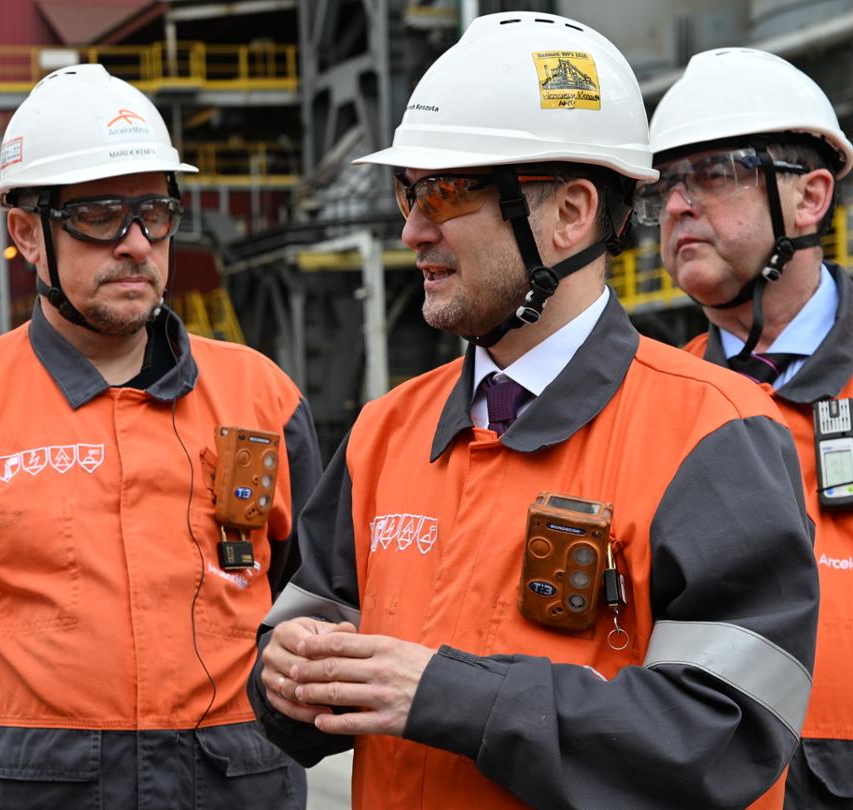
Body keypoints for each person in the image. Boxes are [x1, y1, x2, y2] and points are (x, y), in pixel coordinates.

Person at [247, 13, 819, 809]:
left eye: (445, 192)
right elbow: (302, 653)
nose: (412, 229)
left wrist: (451, 695)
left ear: (572, 212)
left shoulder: (715, 432)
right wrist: (286, 676)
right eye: (406, 192)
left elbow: (729, 730)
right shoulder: (386, 433)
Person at [0, 64, 317, 807]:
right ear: (26, 233)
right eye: (101, 214)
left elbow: (305, 611)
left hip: (233, 784)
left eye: (155, 212)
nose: (137, 243)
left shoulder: (263, 398)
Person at [646, 46, 853, 806]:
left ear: (810, 199)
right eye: (667, 184)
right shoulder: (657, 406)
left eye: (715, 173)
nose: (676, 206)